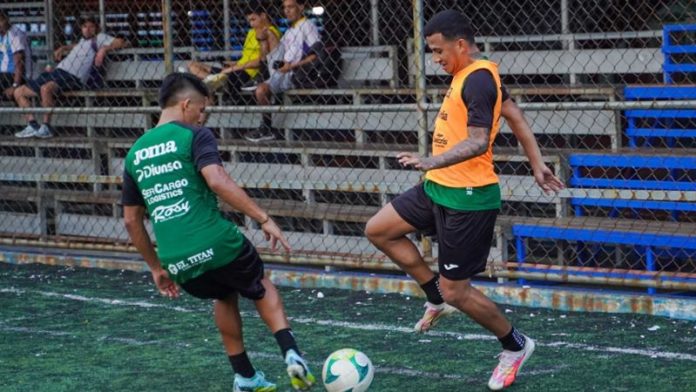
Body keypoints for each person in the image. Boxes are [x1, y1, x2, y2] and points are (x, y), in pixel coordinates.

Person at [364, 10, 563, 391]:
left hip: (469, 198)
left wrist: (429, 159)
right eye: (431, 52)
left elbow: (476, 141)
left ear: (460, 44)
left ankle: (515, 345)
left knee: (459, 291)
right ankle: (433, 294)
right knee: (379, 230)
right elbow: (515, 114)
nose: (435, 59)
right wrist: (538, 164)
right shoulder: (469, 76)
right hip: (437, 187)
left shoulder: (479, 80)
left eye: (439, 51)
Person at [121, 72, 316, 392]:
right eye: (201, 111)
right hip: (215, 241)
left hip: (177, 261)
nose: (202, 118)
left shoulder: (134, 154)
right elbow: (217, 180)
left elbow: (131, 220)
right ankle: (292, 353)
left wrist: (156, 267)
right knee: (260, 284)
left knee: (222, 293)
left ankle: (245, 377)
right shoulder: (193, 135)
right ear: (186, 104)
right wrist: (262, 218)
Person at [13, 15, 126, 138]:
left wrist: (104, 49)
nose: (87, 29)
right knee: (18, 92)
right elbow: (77, 46)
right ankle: (33, 125)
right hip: (57, 73)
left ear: (96, 28)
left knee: (46, 88)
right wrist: (64, 47)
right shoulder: (82, 41)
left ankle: (46, 127)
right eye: (84, 26)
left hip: (73, 77)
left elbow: (122, 42)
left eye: (91, 27)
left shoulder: (100, 38)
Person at [245, 0, 321, 142]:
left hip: (295, 73)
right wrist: (262, 40)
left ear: (301, 7)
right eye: (285, 7)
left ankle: (266, 128)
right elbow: (270, 56)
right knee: (268, 33)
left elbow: (315, 55)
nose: (287, 11)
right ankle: (262, 76)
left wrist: (291, 66)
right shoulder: (289, 31)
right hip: (280, 70)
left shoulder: (307, 26)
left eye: (291, 7)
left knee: (260, 90)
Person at [187, 3, 281, 94]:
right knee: (193, 65)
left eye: (253, 19)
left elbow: (262, 62)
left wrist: (234, 68)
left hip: (247, 74)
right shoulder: (251, 32)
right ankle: (214, 80)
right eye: (249, 21)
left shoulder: (271, 33)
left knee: (207, 79)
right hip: (236, 68)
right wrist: (233, 64)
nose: (251, 24)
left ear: (263, 16)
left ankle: (214, 81)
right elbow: (246, 57)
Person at [0, 10, 32, 100]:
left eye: (0, 20)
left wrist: (15, 85)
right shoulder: (2, 35)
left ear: (7, 20)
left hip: (15, 76)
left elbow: (19, 62)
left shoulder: (15, 34)